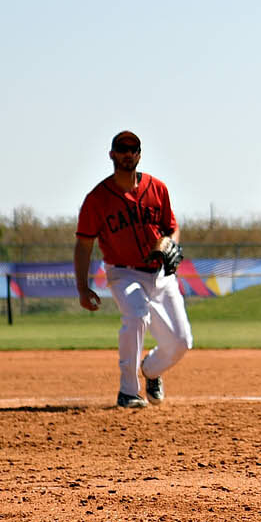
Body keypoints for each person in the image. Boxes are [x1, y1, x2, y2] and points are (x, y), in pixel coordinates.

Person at [74, 131, 194, 408]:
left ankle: (151, 371)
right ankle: (128, 391)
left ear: (139, 155)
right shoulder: (97, 199)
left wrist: (170, 243)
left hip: (160, 274)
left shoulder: (157, 188)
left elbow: (172, 227)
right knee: (137, 315)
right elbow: (83, 244)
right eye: (122, 148)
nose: (128, 153)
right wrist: (82, 287)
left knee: (182, 341)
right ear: (112, 154)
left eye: (133, 149)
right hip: (123, 272)